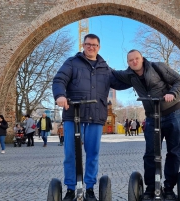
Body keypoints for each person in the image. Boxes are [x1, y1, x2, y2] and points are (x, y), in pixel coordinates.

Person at [52, 33, 130, 201]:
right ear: (83, 45)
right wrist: (60, 95)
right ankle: (71, 189)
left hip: (95, 115)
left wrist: (137, 75)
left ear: (99, 47)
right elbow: (59, 79)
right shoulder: (72, 62)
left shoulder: (105, 67)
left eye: (94, 45)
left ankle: (89, 188)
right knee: (70, 153)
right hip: (73, 114)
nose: (91, 47)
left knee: (93, 153)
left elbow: (120, 81)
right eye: (88, 44)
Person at [113, 49, 180, 200]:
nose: (134, 62)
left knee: (173, 152)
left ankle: (169, 188)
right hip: (152, 117)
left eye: (136, 58)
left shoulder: (158, 67)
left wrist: (172, 93)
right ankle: (151, 187)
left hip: (172, 113)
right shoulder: (129, 75)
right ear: (128, 63)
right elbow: (111, 74)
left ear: (142, 58)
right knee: (150, 154)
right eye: (131, 60)